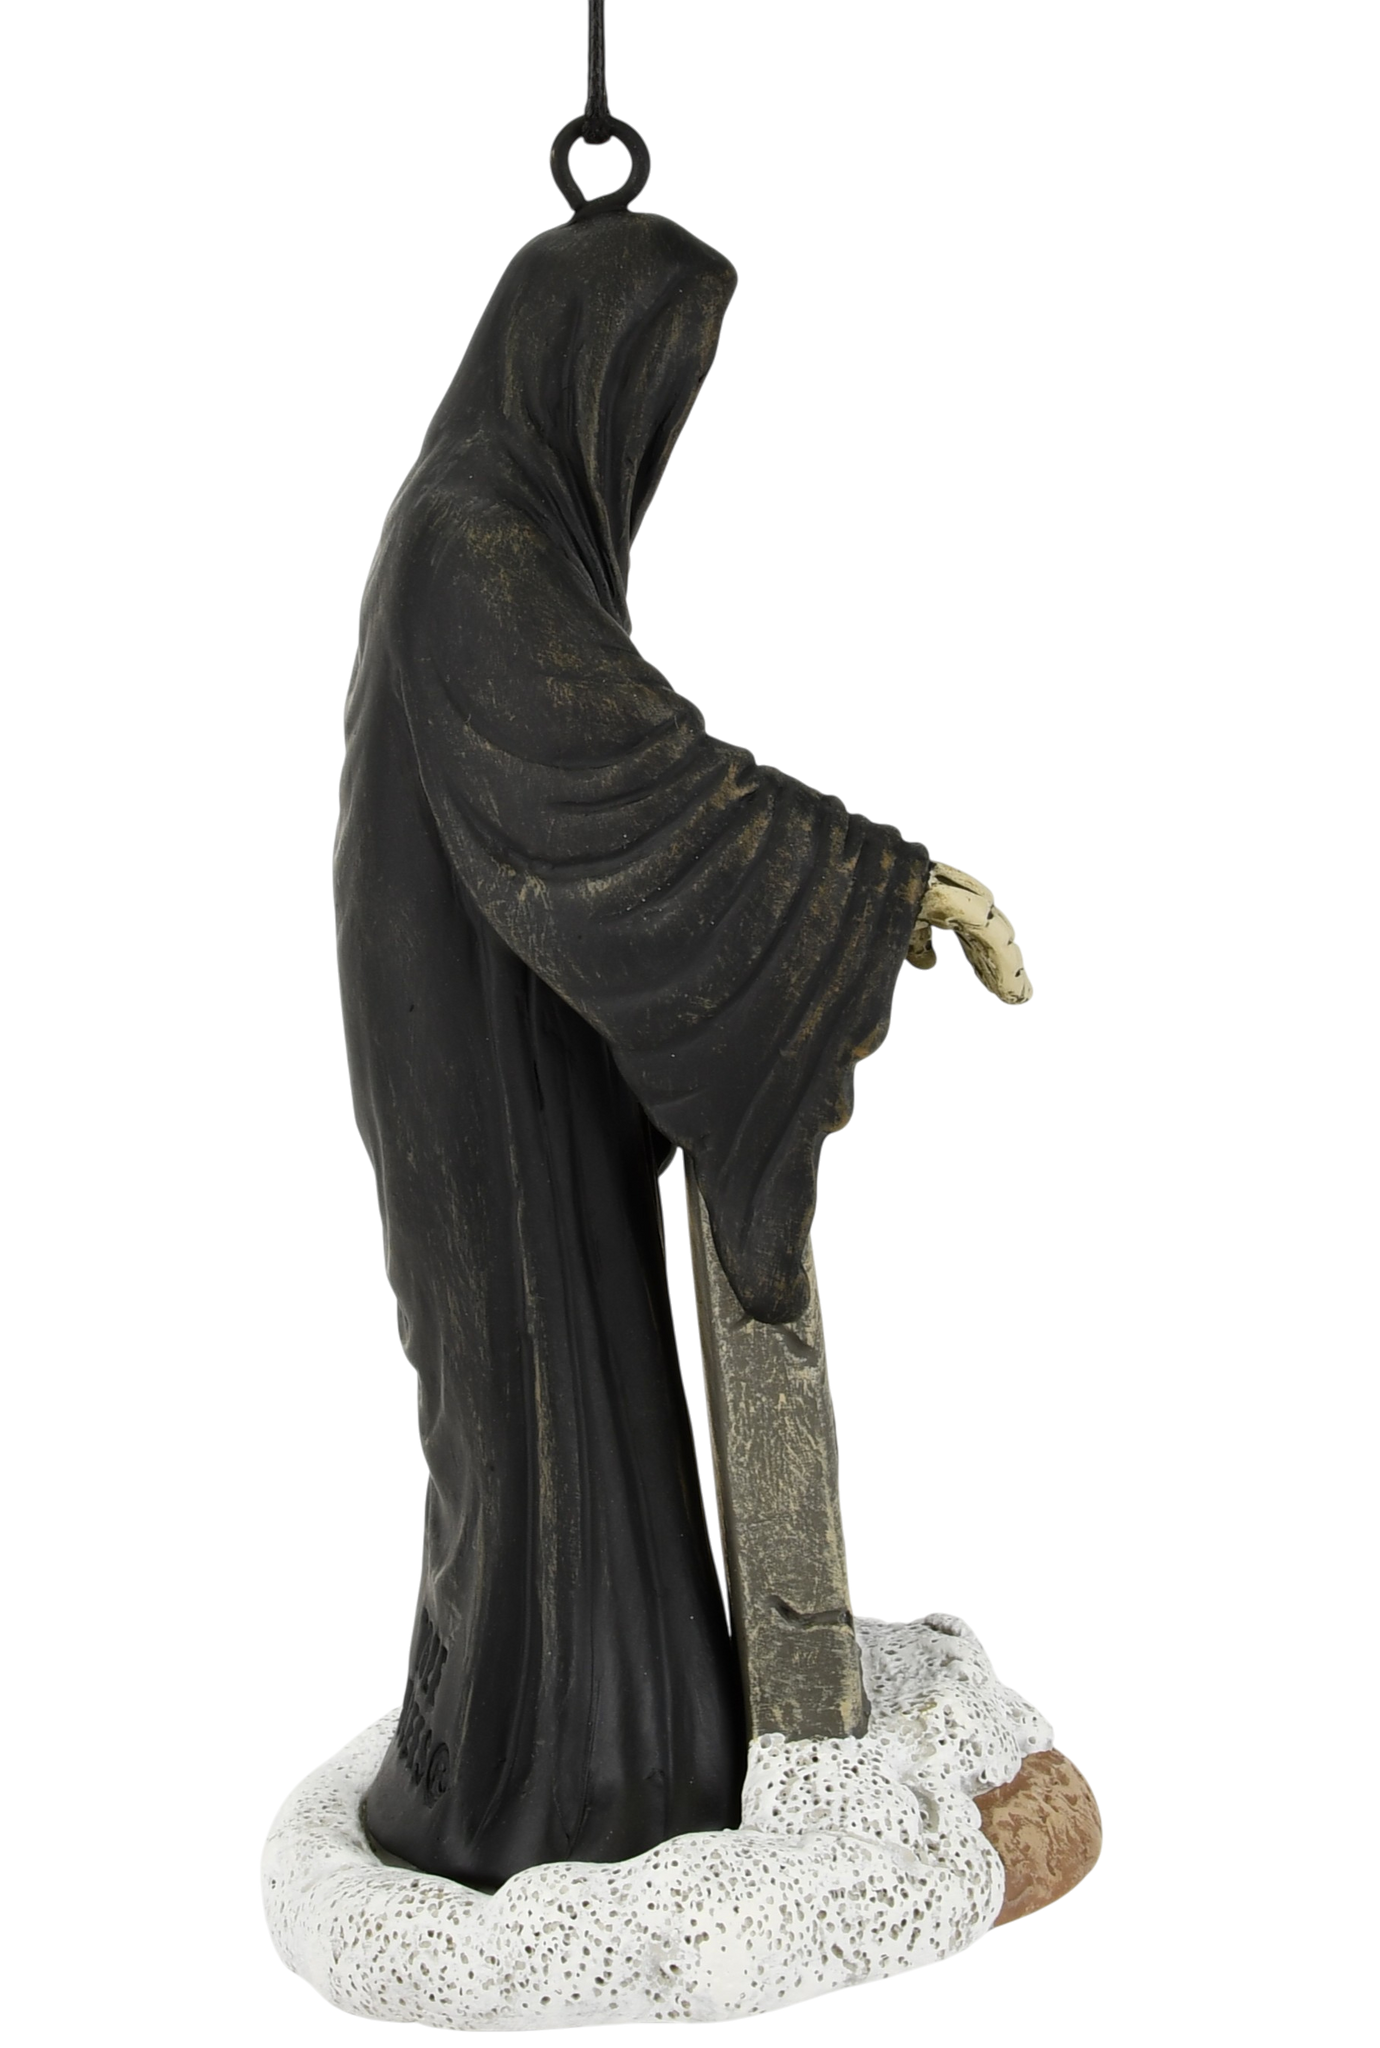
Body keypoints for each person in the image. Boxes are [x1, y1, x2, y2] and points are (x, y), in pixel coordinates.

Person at [332, 206, 1030, 1893]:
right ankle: (575, 1786)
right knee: (538, 1409)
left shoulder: (476, 524)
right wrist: (892, 890)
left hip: (501, 1043)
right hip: (483, 1081)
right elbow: (628, 805)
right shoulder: (471, 538)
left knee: (561, 1399)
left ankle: (603, 1743)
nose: (656, 438)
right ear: (579, 371)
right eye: (654, 392)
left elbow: (616, 790)